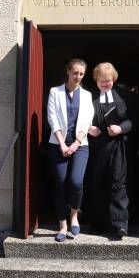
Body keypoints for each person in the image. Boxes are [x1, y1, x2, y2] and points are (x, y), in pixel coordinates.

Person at [47, 59, 94, 242]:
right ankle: (62, 226)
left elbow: (87, 121)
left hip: (80, 145)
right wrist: (62, 144)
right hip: (57, 145)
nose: (78, 77)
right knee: (61, 184)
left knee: (75, 182)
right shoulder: (55, 92)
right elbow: (52, 119)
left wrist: (75, 143)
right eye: (75, 73)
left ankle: (74, 214)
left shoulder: (87, 95)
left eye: (81, 74)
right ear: (68, 71)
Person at [88, 62, 133, 239]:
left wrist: (121, 128)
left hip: (119, 144)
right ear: (96, 81)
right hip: (97, 145)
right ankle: (97, 222)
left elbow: (133, 119)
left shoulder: (125, 96)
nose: (105, 84)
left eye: (108, 81)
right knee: (97, 181)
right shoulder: (89, 96)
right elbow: (79, 117)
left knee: (118, 183)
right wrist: (89, 128)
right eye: (101, 81)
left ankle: (120, 224)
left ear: (113, 79)